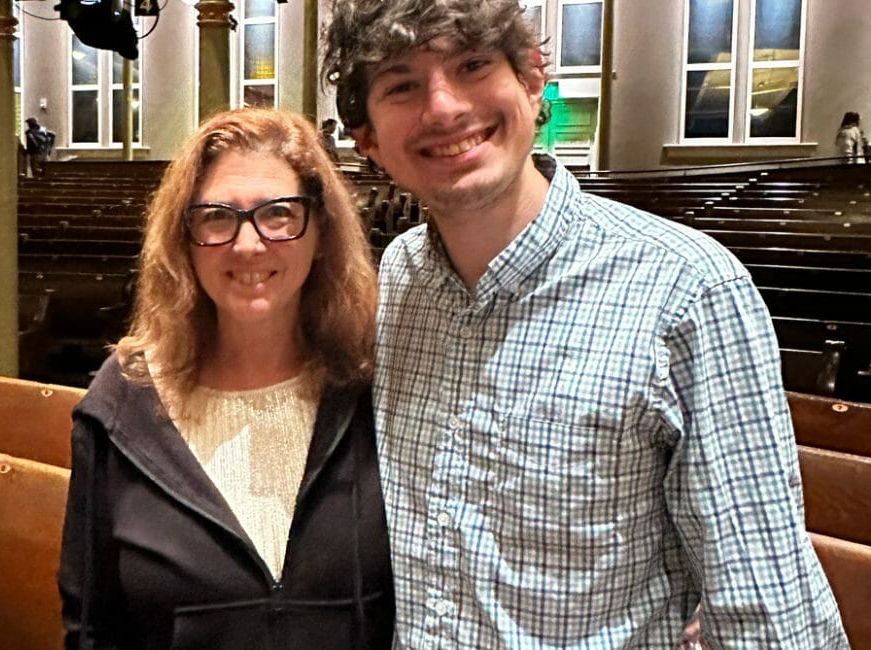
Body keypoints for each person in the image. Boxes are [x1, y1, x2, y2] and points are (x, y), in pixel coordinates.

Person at [321, 1, 848, 648]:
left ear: (533, 79)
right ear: (366, 136)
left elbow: (767, 609)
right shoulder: (400, 275)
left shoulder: (687, 289)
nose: (444, 107)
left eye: (472, 64)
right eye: (402, 84)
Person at [58, 108, 394, 650]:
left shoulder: (374, 384)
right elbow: (93, 627)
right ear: (184, 239)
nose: (248, 244)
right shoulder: (122, 404)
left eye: (280, 213)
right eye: (217, 216)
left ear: (322, 230)